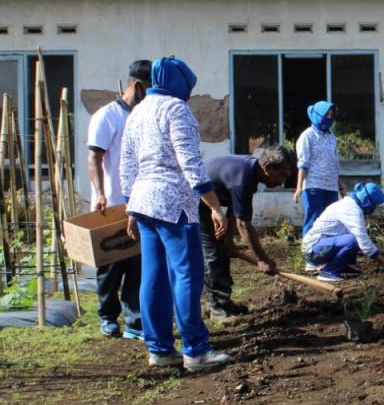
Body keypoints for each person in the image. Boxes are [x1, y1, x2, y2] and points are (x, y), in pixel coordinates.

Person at [121, 56, 232, 372]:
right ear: (180, 84)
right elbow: (191, 162)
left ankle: (159, 349)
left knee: (153, 276)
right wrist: (214, 206)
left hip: (143, 202)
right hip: (173, 203)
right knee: (186, 274)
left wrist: (130, 206)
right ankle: (196, 350)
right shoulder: (176, 110)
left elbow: (127, 164)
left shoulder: (137, 111)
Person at [87, 59, 151, 340]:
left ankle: (134, 322)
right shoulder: (107, 116)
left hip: (138, 204)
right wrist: (100, 193)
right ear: (137, 86)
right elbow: (95, 157)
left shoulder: (143, 115)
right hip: (112, 204)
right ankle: (108, 317)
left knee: (137, 264)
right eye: (149, 89)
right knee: (111, 265)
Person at [201, 145, 297, 320]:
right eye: (282, 175)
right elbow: (243, 225)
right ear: (268, 168)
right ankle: (216, 307)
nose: (283, 181)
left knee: (222, 249)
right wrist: (263, 259)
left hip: (210, 202)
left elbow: (234, 208)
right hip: (193, 199)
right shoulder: (244, 177)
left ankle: (222, 301)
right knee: (213, 254)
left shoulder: (252, 173)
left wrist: (229, 242)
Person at [301, 182, 384, 283]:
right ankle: (329, 272)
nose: (374, 209)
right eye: (374, 205)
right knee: (354, 240)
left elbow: (364, 240)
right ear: (367, 200)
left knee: (354, 239)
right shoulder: (352, 209)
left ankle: (341, 267)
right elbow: (363, 242)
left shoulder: (351, 205)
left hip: (318, 247)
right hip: (313, 252)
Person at [293, 101, 344, 270]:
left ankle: (325, 256)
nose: (329, 119)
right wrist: (299, 186)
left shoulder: (331, 137)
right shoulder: (307, 136)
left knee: (329, 222)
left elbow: (334, 163)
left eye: (331, 116)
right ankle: (310, 258)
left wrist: (340, 185)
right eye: (325, 115)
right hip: (313, 184)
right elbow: (303, 162)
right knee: (313, 220)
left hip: (330, 185)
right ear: (316, 115)